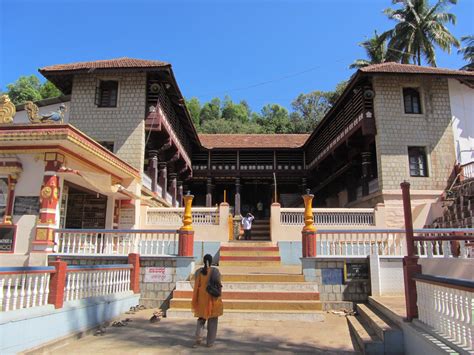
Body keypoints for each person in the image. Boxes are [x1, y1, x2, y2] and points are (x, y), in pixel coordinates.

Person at [191, 254, 223, 348]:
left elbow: (195, 285)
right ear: (211, 260)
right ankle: (210, 342)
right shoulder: (215, 271)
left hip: (201, 299)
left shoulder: (198, 272)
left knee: (201, 319)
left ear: (204, 261)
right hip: (212, 299)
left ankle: (198, 339)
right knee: (213, 321)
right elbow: (218, 284)